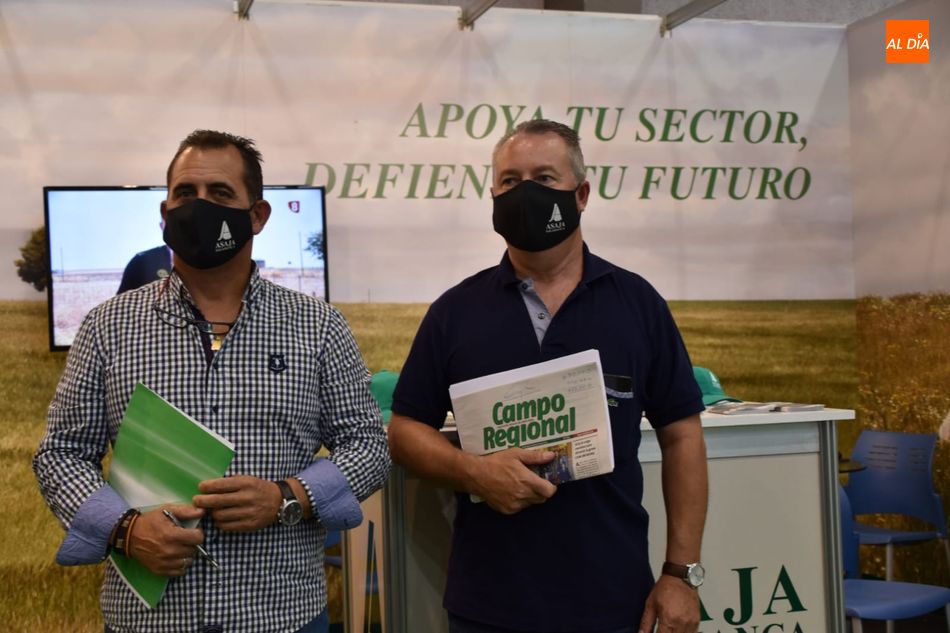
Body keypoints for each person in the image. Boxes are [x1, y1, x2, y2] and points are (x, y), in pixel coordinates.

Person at [33, 130, 391, 633]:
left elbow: (368, 445)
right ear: (165, 213)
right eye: (185, 194)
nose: (199, 208)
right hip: (148, 619)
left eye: (221, 194)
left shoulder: (318, 326)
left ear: (258, 216)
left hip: (282, 614)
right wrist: (126, 529)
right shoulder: (107, 326)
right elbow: (61, 453)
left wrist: (288, 496)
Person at [388, 119, 708, 633]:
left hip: (613, 599)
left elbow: (682, 435)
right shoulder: (455, 312)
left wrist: (681, 573)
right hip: (488, 605)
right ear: (492, 196)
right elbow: (405, 432)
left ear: (581, 194)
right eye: (510, 182)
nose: (525, 194)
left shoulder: (638, 304)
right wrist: (473, 472)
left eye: (544, 179)